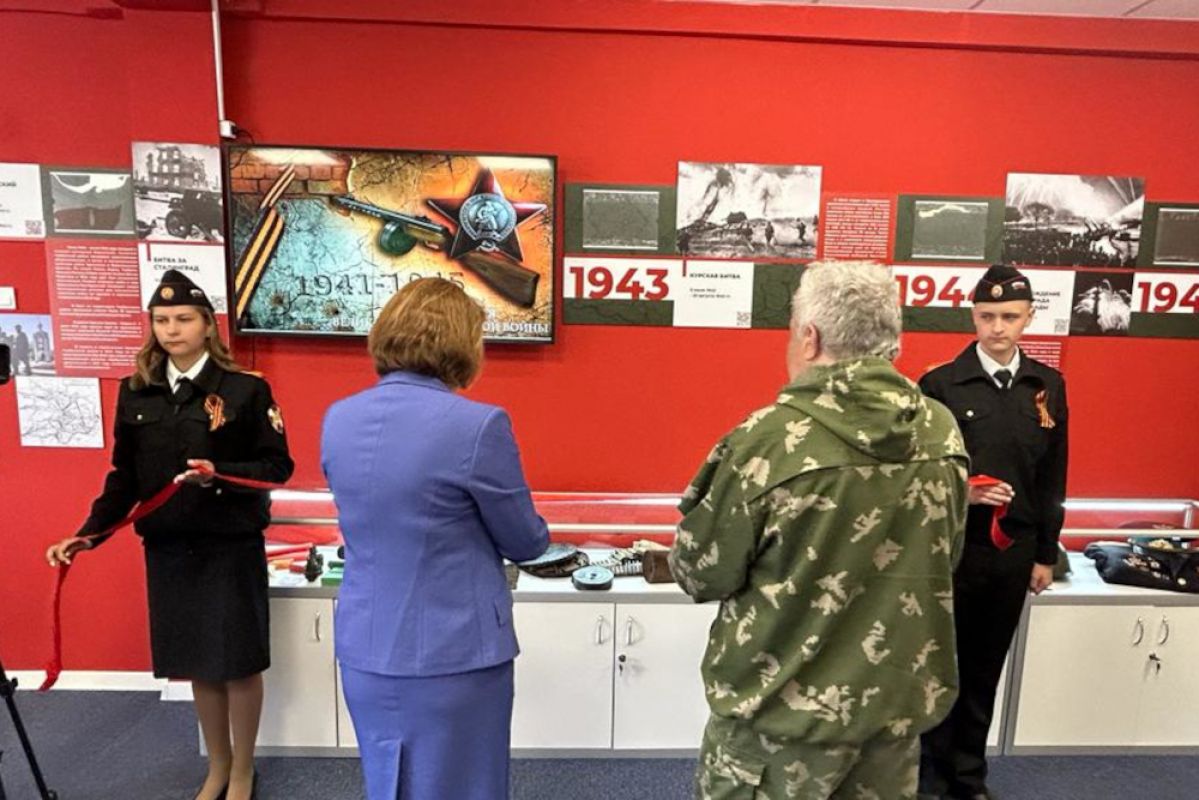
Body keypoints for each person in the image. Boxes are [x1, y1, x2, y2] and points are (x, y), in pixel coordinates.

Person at [669, 260, 970, 800]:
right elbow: (947, 557)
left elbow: (701, 573)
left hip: (779, 729)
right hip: (891, 721)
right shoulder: (941, 432)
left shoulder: (766, 441)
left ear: (809, 337)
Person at [45, 269, 293, 800]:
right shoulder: (137, 391)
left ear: (207, 325)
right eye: (161, 320)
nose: (171, 330)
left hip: (229, 545)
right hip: (170, 547)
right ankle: (218, 767)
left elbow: (277, 467)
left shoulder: (246, 390)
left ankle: (243, 770)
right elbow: (124, 478)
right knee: (200, 663)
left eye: (183, 319)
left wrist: (219, 473)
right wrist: (88, 534)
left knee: (239, 663)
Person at [321, 277, 549, 800]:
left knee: (388, 783)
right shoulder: (478, 426)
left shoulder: (339, 418)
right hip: (454, 653)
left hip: (365, 647)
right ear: (463, 343)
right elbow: (525, 541)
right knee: (467, 786)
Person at [917, 264, 1069, 800]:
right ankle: (930, 779)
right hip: (953, 550)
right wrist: (963, 491)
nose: (997, 327)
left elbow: (1052, 477)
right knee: (941, 667)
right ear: (973, 317)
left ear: (1029, 317)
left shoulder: (1046, 386)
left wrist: (1045, 554)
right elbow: (918, 472)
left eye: (1009, 316)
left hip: (1013, 553)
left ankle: (968, 777)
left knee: (985, 669)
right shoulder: (940, 384)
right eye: (987, 316)